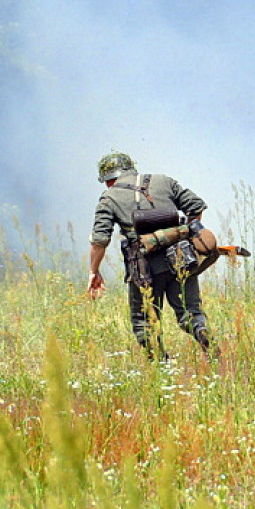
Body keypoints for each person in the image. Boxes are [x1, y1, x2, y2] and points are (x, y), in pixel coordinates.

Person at [87, 152, 213, 359]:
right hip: (181, 258)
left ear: (108, 179)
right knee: (190, 313)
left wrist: (94, 271)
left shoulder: (109, 197)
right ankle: (203, 334)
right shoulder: (164, 181)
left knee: (144, 320)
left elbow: (100, 240)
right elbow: (196, 207)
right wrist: (182, 235)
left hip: (144, 266)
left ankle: (161, 368)